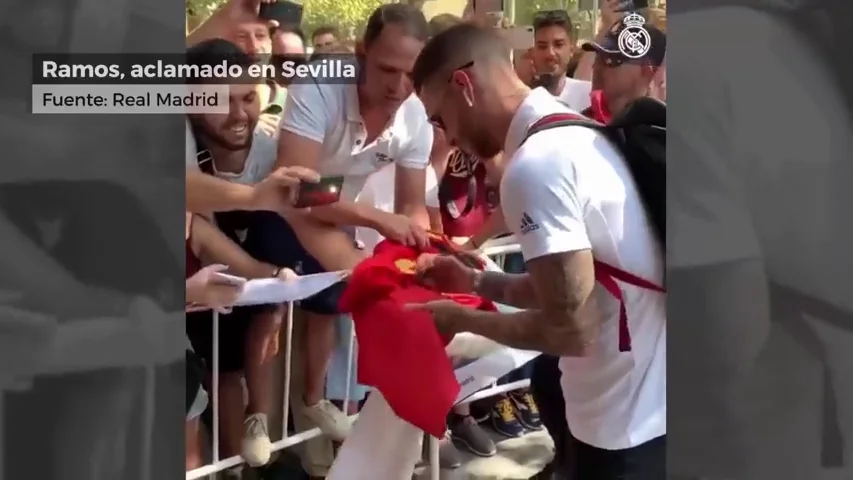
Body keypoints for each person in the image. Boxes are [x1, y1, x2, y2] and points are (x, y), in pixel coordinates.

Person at [411, 23, 666, 479]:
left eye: (438, 118)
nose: (446, 136)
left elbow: (572, 330)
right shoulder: (577, 132)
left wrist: (461, 321)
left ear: (463, 85)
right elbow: (580, 285)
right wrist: (474, 281)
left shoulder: (536, 166)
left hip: (624, 432)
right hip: (643, 413)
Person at [274, 3, 434, 445]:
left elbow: (412, 207)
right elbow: (296, 190)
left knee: (377, 289)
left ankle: (343, 415)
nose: (399, 86)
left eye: (411, 74)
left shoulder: (415, 112)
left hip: (337, 215)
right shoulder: (319, 83)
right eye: (387, 69)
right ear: (363, 51)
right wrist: (377, 219)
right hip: (272, 208)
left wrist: (418, 251)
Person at [580, 19, 666, 122]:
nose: (596, 67)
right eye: (598, 58)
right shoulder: (579, 123)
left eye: (611, 59)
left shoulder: (663, 130)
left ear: (645, 69)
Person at [528, 9, 592, 111]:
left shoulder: (589, 96)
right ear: (533, 51)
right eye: (542, 46)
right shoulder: (522, 99)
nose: (550, 53)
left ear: (571, 50)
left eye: (558, 45)